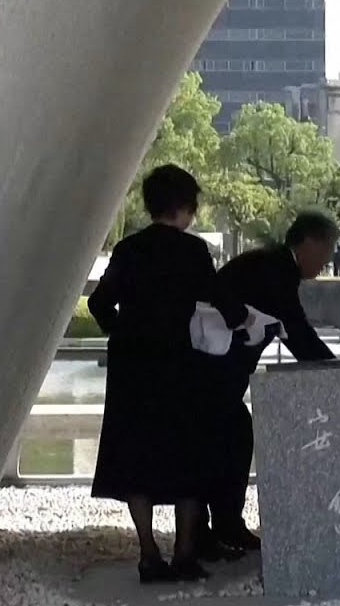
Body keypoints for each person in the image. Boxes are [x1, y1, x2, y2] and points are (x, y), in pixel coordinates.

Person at [87, 164, 249, 583]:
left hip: (132, 366)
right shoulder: (192, 252)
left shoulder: (128, 250)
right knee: (187, 457)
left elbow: (99, 303)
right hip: (179, 364)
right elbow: (219, 301)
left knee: (135, 455)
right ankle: (183, 553)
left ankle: (147, 554)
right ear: (186, 207)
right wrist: (241, 318)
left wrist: (121, 331)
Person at [198, 211, 340, 555]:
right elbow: (299, 334)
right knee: (228, 438)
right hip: (214, 370)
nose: (326, 262)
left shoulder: (272, 264)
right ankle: (220, 528)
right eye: (325, 251)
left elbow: (294, 331)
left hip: (217, 370)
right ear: (308, 243)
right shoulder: (276, 269)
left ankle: (214, 528)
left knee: (228, 438)